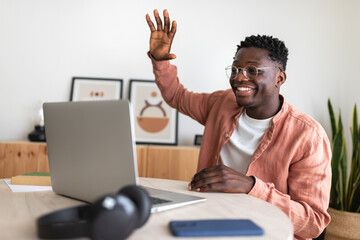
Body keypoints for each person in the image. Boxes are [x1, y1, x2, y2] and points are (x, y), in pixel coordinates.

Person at [145, 9, 331, 240]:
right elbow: (178, 97)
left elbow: (313, 222)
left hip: (266, 232)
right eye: (235, 69)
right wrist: (160, 59)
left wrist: (251, 186)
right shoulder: (222, 103)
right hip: (213, 218)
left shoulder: (308, 136)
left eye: (253, 70)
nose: (239, 77)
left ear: (279, 78)